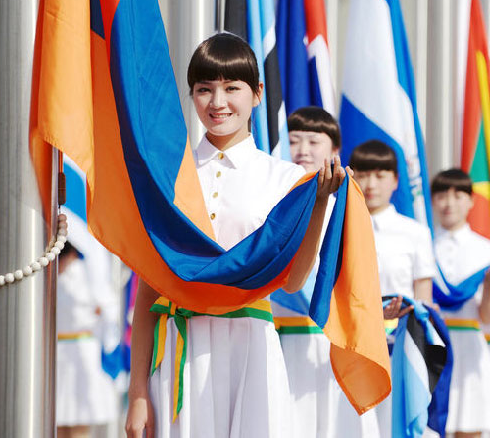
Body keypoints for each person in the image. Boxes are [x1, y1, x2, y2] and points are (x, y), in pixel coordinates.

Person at [125, 33, 348, 438]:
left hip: (251, 345)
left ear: (258, 94)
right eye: (204, 89)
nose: (217, 102)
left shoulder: (286, 180)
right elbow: (148, 291)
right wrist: (137, 391)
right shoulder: (169, 178)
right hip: (180, 346)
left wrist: (316, 205)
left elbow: (293, 281)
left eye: (232, 88)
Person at [275, 106, 378, 438]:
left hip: (331, 343)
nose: (303, 149)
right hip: (280, 340)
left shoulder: (347, 208)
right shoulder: (270, 202)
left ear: (334, 150)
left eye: (313, 141)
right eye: (294, 140)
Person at [349, 139, 436, 438]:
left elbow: (424, 299)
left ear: (396, 180)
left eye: (380, 174)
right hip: (350, 348)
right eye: (362, 174)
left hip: (399, 348)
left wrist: (405, 315)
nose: (370, 184)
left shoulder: (415, 233)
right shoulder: (338, 226)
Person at [431, 169, 490, 438]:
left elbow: (487, 317)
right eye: (441, 195)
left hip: (469, 346)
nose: (449, 203)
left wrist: (487, 286)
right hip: (431, 341)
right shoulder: (423, 242)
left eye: (458, 195)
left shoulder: (487, 250)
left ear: (471, 201)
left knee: (468, 425)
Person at [56, 241, 117, 438]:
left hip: (78, 349)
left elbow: (107, 309)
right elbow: (107, 310)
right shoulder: (60, 272)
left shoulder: (81, 271)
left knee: (74, 421)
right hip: (69, 350)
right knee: (65, 421)